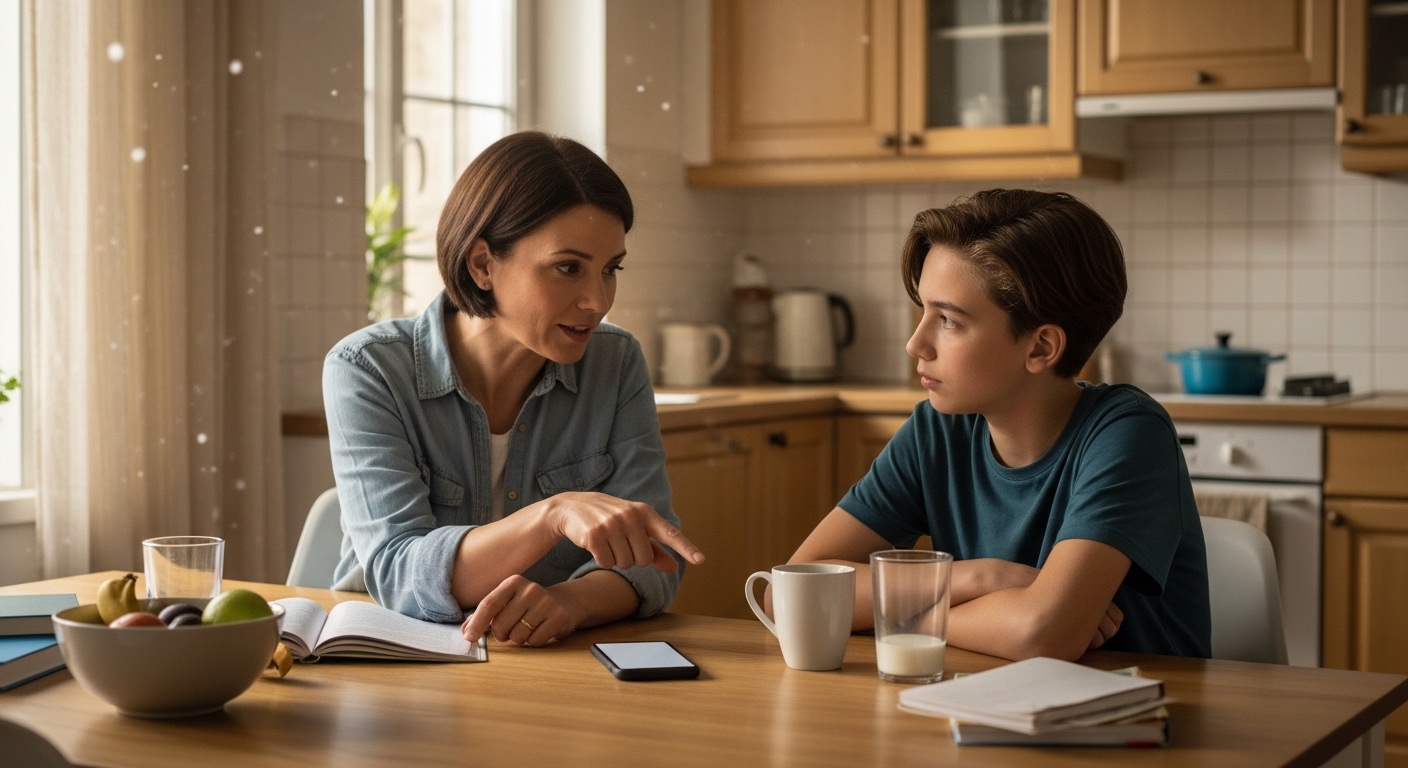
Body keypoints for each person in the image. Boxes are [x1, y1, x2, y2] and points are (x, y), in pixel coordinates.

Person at [784, 189, 1210, 661]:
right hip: (983, 708)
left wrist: (901, 615)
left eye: (947, 320)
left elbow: (1042, 635)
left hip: (1137, 722)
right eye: (923, 311)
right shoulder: (938, 429)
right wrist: (982, 578)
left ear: (1041, 348)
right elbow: (792, 594)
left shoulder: (1128, 433)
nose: (915, 343)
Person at [323, 131, 704, 648]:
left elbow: (656, 560)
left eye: (610, 270)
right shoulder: (368, 369)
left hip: (544, 666)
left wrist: (570, 602)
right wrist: (552, 514)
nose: (597, 300)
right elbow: (398, 574)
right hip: (388, 658)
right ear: (482, 265)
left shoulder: (615, 363)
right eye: (567, 268)